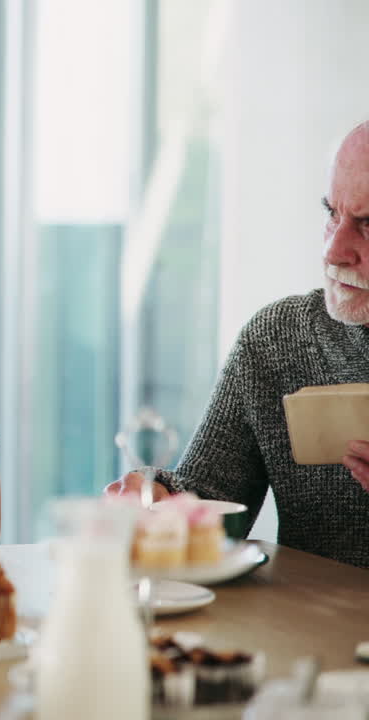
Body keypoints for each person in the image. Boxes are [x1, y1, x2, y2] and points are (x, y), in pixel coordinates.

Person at [106, 120, 369, 568]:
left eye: (367, 225)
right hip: (307, 633)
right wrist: (157, 500)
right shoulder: (279, 339)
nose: (332, 251)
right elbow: (208, 500)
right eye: (331, 213)